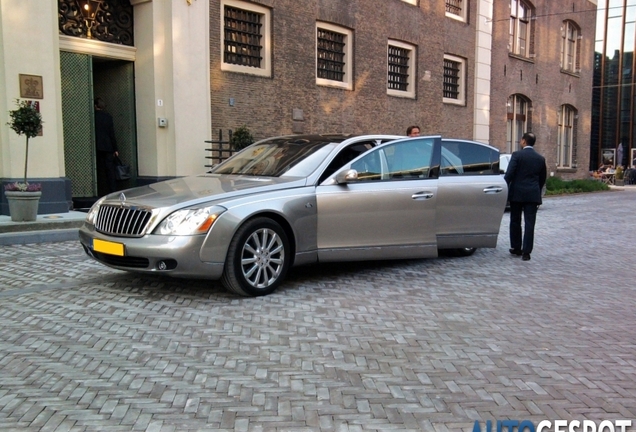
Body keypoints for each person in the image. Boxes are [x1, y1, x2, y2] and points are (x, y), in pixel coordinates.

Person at [504, 132, 547, 261]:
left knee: (515, 221)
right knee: (530, 223)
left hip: (516, 193)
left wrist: (504, 188)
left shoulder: (517, 155)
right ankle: (526, 252)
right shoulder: (540, 158)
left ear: (523, 141)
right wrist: (536, 191)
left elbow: (509, 174)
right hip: (532, 194)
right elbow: (542, 178)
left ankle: (516, 247)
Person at [94, 97, 119, 195]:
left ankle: (99, 190)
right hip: (108, 146)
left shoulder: (93, 117)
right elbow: (111, 133)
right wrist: (115, 148)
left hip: (97, 146)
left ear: (95, 106)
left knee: (99, 169)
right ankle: (112, 190)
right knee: (110, 169)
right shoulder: (108, 117)